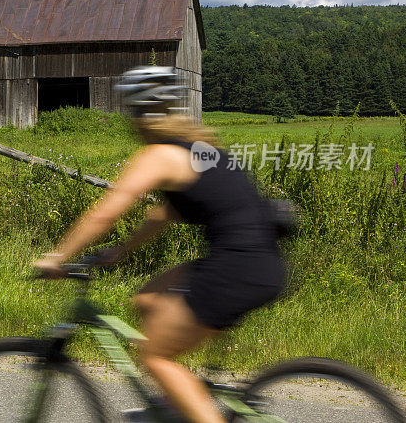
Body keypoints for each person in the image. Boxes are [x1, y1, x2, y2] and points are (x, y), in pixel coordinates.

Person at [34, 66, 286, 423]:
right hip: (259, 261)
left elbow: (104, 214)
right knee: (147, 298)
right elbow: (163, 213)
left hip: (237, 267)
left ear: (137, 113)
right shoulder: (201, 148)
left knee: (154, 356)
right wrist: (121, 252)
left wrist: (57, 256)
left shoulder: (160, 155)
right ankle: (176, 400)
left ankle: (187, 400)